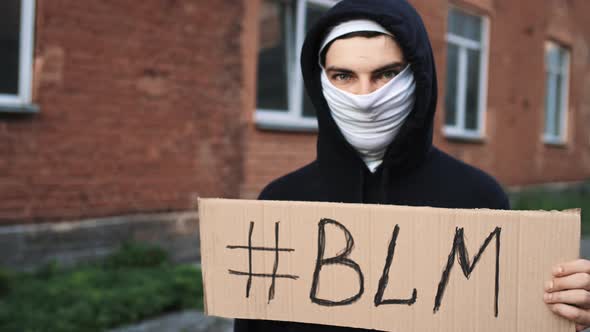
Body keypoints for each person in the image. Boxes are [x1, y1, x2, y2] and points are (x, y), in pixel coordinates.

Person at [235, 0, 590, 331]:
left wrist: (560, 314)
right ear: (319, 82)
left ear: (418, 75)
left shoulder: (478, 197)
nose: (365, 98)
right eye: (343, 76)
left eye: (386, 74)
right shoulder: (280, 203)